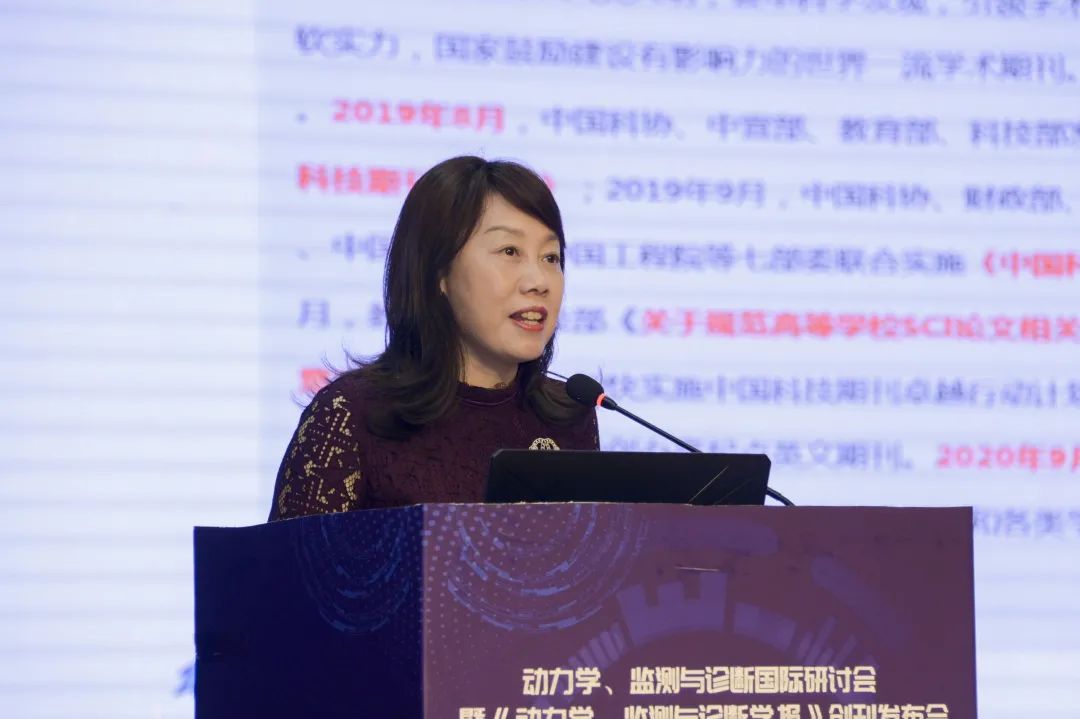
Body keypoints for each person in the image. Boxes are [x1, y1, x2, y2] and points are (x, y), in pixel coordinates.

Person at [268, 156, 599, 521]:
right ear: (439, 272)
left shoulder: (569, 416)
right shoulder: (352, 416)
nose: (538, 281)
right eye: (510, 252)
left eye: (551, 257)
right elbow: (292, 559)